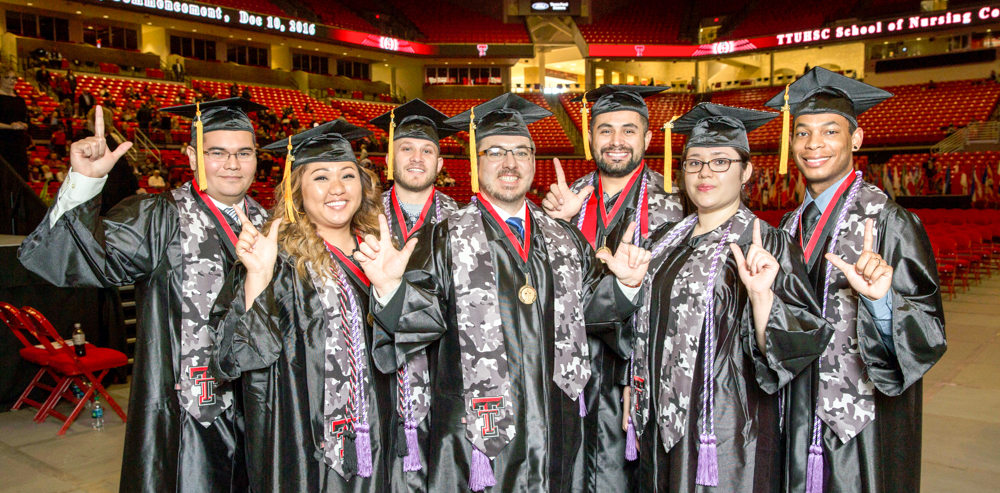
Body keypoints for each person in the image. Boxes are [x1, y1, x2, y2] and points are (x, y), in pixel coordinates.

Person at [370, 93, 652, 492]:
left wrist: (624, 286)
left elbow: (589, 309)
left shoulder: (563, 237)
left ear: (534, 162)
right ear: (476, 160)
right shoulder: (444, 237)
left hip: (554, 422)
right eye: (496, 151)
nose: (510, 163)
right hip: (476, 433)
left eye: (521, 152)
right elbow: (422, 318)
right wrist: (388, 290)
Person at [19, 98, 269, 493]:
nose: (233, 164)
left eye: (244, 153)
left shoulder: (272, 225)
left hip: (261, 408)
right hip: (186, 408)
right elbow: (77, 259)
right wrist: (85, 182)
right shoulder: (160, 216)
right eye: (217, 153)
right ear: (191, 157)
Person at [623, 103, 832, 492]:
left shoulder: (767, 242)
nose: (704, 173)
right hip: (657, 419)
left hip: (727, 429)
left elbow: (800, 344)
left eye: (721, 161)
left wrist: (762, 298)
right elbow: (642, 328)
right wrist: (629, 386)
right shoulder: (663, 241)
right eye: (694, 162)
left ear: (747, 171)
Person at [764, 67, 947, 493]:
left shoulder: (890, 223)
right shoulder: (787, 227)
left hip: (859, 424)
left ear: (856, 140)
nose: (814, 145)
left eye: (830, 131)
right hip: (791, 413)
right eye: (803, 133)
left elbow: (928, 333)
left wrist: (882, 303)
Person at [208, 120, 393, 492]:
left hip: (376, 436)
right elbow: (232, 359)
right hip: (300, 448)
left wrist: (390, 286)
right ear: (297, 192)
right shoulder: (276, 261)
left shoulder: (380, 254)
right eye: (321, 177)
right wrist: (257, 278)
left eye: (348, 175)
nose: (338, 189)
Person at [541, 84, 685, 491]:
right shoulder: (568, 199)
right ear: (590, 137)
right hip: (569, 369)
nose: (616, 141)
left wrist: (635, 375)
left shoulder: (674, 203)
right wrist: (563, 225)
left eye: (628, 130)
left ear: (648, 138)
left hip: (635, 372)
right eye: (605, 130)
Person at [368, 99, 462, 492]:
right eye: (406, 148)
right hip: (375, 384)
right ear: (390, 157)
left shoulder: (463, 223)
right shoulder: (360, 219)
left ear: (441, 164)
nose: (417, 158)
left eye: (427, 150)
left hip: (444, 380)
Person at [0, 65, 30, 180]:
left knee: (18, 179)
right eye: (8, 78)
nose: (12, 81)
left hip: (18, 144)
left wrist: (25, 125)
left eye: (14, 78)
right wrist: (10, 126)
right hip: (2, 143)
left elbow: (27, 120)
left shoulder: (20, 100)